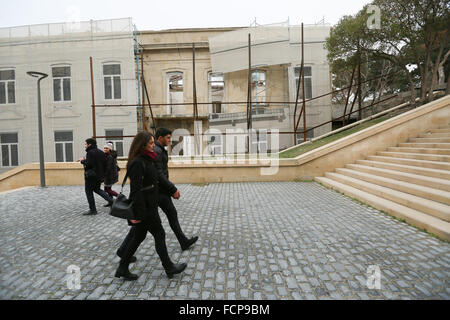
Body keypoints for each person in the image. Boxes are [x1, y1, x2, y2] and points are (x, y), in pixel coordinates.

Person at [116, 128, 198, 261]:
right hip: (156, 193)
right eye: (167, 137)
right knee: (149, 230)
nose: (170, 140)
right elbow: (154, 177)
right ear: (159, 138)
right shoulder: (153, 154)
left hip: (155, 194)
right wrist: (172, 189)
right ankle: (124, 256)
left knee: (152, 226)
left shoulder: (153, 153)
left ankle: (123, 256)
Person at [79, 138, 113, 215]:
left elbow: (89, 164)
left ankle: (93, 210)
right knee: (97, 189)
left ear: (89, 144)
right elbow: (104, 164)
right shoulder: (101, 152)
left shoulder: (90, 153)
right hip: (99, 176)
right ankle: (112, 201)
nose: (85, 146)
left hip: (91, 176)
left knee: (89, 192)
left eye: (86, 144)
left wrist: (82, 161)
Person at [103, 141, 119, 206]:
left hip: (110, 176)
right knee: (108, 189)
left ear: (110, 149)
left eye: (106, 148)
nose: (105, 149)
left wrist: (104, 176)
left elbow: (108, 168)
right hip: (111, 175)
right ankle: (110, 202)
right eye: (104, 148)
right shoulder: (108, 155)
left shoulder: (110, 156)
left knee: (106, 189)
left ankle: (119, 196)